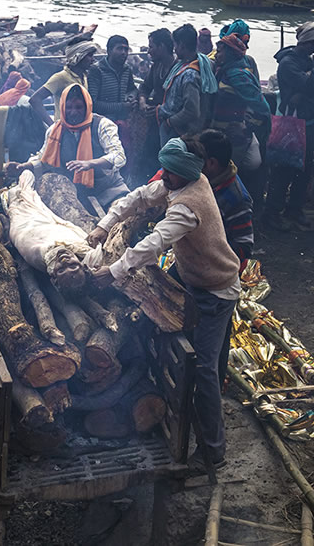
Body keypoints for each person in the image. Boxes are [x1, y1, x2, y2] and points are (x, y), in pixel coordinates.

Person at [87, 137, 240, 473]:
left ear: (184, 173)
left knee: (204, 370)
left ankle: (214, 453)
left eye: (169, 173)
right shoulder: (180, 180)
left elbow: (155, 243)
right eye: (165, 171)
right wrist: (104, 225)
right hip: (191, 277)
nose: (164, 177)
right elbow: (140, 197)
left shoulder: (188, 204)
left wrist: (113, 271)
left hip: (216, 290)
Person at [7, 82, 129, 210]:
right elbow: (44, 160)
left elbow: (119, 156)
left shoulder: (102, 125)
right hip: (72, 195)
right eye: (69, 107)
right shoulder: (54, 130)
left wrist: (90, 163)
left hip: (108, 189)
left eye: (78, 107)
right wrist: (23, 167)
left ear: (87, 107)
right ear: (62, 107)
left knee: (124, 212)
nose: (73, 112)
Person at [265, 22, 314, 230]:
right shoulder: (288, 63)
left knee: (305, 169)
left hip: (309, 123)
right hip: (291, 123)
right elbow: (313, 85)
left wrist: (312, 77)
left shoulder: (306, 62)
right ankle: (272, 214)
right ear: (305, 43)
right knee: (284, 169)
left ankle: (294, 209)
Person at [198, 128, 253, 387]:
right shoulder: (205, 181)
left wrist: (218, 266)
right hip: (201, 269)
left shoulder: (236, 198)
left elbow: (243, 248)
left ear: (211, 163)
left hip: (218, 280)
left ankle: (214, 388)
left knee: (215, 342)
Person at [212, 32, 263, 173]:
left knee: (227, 173)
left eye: (220, 52)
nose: (216, 55)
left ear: (229, 54)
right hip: (220, 134)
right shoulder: (223, 71)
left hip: (234, 137)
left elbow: (261, 106)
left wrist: (247, 128)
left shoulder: (239, 77)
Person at [159, 24, 217, 145]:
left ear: (182, 45)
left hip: (179, 131)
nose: (174, 49)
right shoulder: (202, 62)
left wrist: (169, 122)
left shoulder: (190, 75)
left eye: (175, 45)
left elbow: (192, 110)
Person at [134, 29, 178, 184]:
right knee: (148, 158)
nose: (149, 50)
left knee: (167, 162)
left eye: (151, 46)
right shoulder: (157, 67)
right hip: (155, 121)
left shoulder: (179, 69)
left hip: (173, 125)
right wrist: (143, 103)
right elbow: (144, 87)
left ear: (162, 47)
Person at [30, 40, 100, 121]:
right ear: (78, 57)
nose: (93, 60)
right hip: (63, 129)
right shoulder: (61, 77)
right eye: (90, 56)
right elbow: (35, 99)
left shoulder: (84, 77)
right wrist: (51, 125)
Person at [86, 35, 136, 122]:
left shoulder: (127, 69)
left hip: (122, 120)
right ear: (109, 50)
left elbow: (132, 89)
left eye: (126, 49)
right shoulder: (97, 70)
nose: (123, 53)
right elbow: (93, 103)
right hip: (102, 121)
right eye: (119, 49)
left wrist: (132, 97)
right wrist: (122, 107)